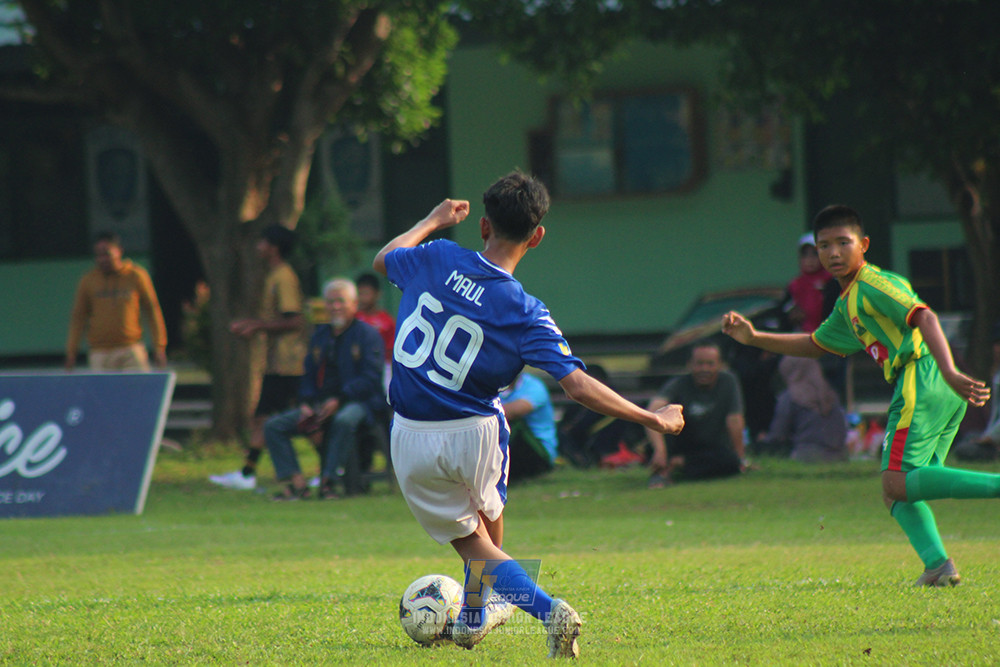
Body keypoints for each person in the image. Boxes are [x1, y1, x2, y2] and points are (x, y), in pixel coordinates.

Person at [372, 171, 684, 658]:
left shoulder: (436, 256)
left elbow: (383, 259)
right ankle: (496, 614)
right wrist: (653, 418)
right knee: (488, 527)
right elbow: (578, 386)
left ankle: (522, 611)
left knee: (474, 543)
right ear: (537, 237)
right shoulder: (526, 311)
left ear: (482, 226)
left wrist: (432, 221)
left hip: (411, 432)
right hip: (477, 431)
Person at [723, 204, 994, 587]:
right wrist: (754, 338)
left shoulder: (873, 284)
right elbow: (816, 344)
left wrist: (949, 371)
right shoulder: (847, 301)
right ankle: (937, 566)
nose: (833, 253)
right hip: (931, 381)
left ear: (863, 244)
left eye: (843, 243)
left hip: (924, 375)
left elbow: (925, 317)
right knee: (899, 493)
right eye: (824, 246)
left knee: (896, 481)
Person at [263, 278, 384, 500]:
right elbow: (308, 375)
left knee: (344, 420)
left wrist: (340, 399)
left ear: (354, 304)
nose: (335, 307)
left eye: (341, 301)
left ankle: (329, 481)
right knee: (274, 426)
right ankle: (297, 483)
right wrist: (307, 403)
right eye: (330, 302)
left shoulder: (367, 335)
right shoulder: (320, 336)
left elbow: (371, 378)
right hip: (322, 403)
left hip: (360, 403)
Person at [209, 225, 307, 491]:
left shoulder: (284, 276)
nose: (257, 247)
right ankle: (247, 472)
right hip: (277, 362)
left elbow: (294, 320)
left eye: (262, 242)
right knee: (263, 418)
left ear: (273, 247)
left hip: (289, 364)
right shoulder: (274, 274)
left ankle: (331, 470)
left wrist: (257, 326)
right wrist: (253, 323)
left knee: (305, 419)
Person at [644, 341, 747, 489]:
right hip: (681, 441)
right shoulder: (678, 384)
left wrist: (740, 458)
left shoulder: (729, 382)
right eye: (699, 364)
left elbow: (735, 419)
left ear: (720, 365)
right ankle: (661, 472)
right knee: (665, 427)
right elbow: (653, 411)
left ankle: (679, 464)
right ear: (689, 365)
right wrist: (660, 451)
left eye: (710, 364)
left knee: (729, 461)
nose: (704, 369)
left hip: (710, 447)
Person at [65, 231, 167, 371]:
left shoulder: (136, 276)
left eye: (107, 254)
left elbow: (152, 309)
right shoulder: (88, 280)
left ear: (119, 251)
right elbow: (78, 317)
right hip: (100, 353)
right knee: (103, 392)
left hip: (130, 349)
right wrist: (72, 351)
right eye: (99, 255)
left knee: (137, 391)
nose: (103, 259)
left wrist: (159, 346)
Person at [757, 356, 848, 462]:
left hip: (806, 455)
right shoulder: (831, 394)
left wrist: (764, 439)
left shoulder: (790, 397)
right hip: (839, 456)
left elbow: (778, 434)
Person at [952, 323, 1000, 462]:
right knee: (968, 437)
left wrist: (990, 438)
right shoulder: (996, 373)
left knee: (965, 449)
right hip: (993, 434)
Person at [501, 371, 559, 482]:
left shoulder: (534, 386)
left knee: (510, 424)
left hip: (539, 453)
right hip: (512, 450)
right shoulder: (490, 385)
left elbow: (514, 412)